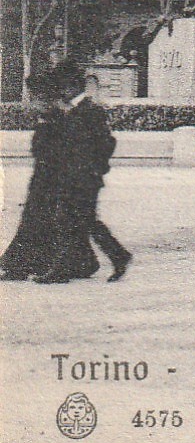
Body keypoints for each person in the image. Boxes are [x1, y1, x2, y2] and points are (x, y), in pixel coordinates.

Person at [36, 64, 131, 284]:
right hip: (72, 176)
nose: (60, 91)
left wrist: (97, 168)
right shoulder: (71, 110)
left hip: (85, 177)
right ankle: (117, 256)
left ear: (72, 87)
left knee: (70, 219)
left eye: (63, 86)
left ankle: (62, 270)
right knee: (81, 221)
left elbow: (107, 142)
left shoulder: (90, 110)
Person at [0, 71, 66, 281]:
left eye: (34, 96)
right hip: (43, 179)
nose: (32, 101)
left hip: (49, 181)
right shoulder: (50, 117)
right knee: (36, 223)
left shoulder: (55, 118)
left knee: (37, 223)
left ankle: (21, 266)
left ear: (44, 97)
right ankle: (27, 265)